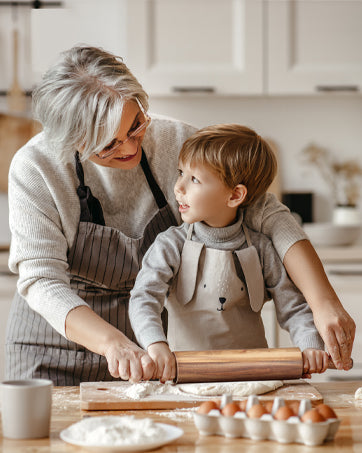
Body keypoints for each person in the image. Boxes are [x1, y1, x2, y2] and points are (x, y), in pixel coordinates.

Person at [5, 45, 354, 385]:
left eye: (136, 125)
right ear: (69, 140)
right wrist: (112, 343)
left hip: (149, 348)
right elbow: (42, 279)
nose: (129, 147)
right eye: (107, 144)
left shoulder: (176, 141)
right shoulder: (37, 168)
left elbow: (269, 214)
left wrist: (323, 302)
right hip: (51, 348)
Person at [129, 124, 331, 382]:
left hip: (254, 379)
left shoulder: (261, 248)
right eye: (181, 173)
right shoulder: (170, 245)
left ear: (235, 195)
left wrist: (310, 344)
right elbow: (143, 298)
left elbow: (294, 307)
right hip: (185, 377)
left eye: (194, 179)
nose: (178, 187)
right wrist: (155, 343)